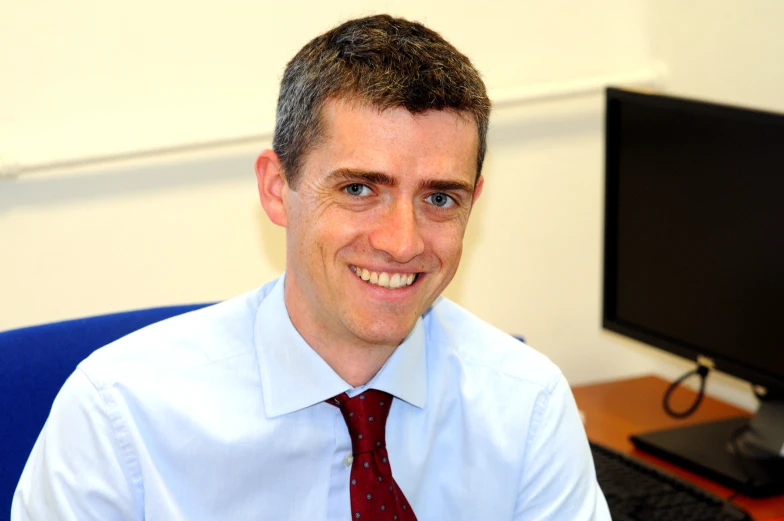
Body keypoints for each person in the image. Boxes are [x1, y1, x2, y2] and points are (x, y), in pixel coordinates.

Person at [12, 14, 610, 521]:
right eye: (358, 189)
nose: (402, 243)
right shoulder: (120, 414)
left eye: (438, 199)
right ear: (277, 189)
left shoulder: (527, 406)